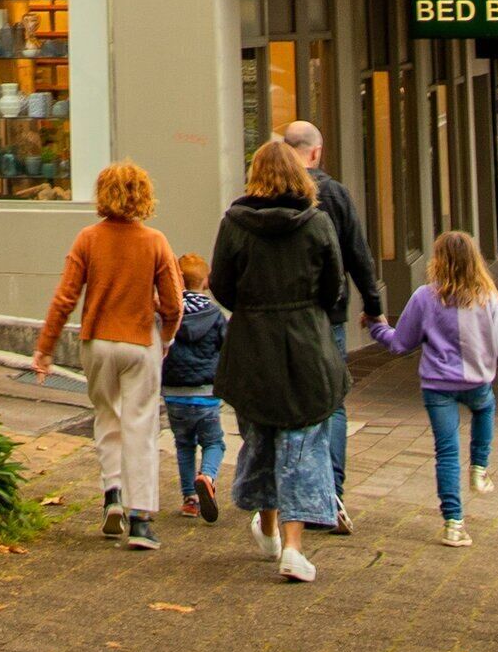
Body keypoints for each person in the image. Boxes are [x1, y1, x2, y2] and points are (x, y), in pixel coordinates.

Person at [210, 138, 347, 584]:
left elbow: (222, 287)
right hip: (307, 343)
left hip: (251, 346)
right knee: (303, 443)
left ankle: (267, 528)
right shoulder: (318, 224)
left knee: (262, 437)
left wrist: (253, 308)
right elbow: (334, 289)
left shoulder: (234, 224)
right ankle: (292, 546)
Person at [34, 160, 181, 551]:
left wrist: (45, 349)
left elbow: (65, 298)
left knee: (107, 417)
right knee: (141, 426)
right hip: (139, 343)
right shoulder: (155, 242)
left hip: (97, 342)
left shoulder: (87, 239)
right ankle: (141, 520)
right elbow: (173, 303)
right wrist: (165, 336)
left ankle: (112, 492)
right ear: (143, 195)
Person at [375, 229, 498, 547]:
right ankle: (480, 468)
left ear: (438, 260)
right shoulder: (488, 297)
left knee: (447, 453)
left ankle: (454, 523)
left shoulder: (425, 298)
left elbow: (401, 344)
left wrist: (377, 328)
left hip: (437, 386)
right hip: (477, 380)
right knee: (484, 408)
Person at [280, 119, 384, 533]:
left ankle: (287, 498)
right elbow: (358, 254)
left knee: (288, 402)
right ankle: (331, 492)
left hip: (283, 314)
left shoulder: (266, 193)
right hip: (329, 314)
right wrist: (374, 307)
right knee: (331, 400)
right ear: (317, 152)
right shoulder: (335, 194)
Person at [161, 249, 229, 521]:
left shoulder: (169, 310)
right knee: (214, 442)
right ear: (206, 282)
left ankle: (190, 499)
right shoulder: (214, 314)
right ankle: (208, 477)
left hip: (175, 394)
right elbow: (226, 349)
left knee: (184, 444)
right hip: (206, 394)